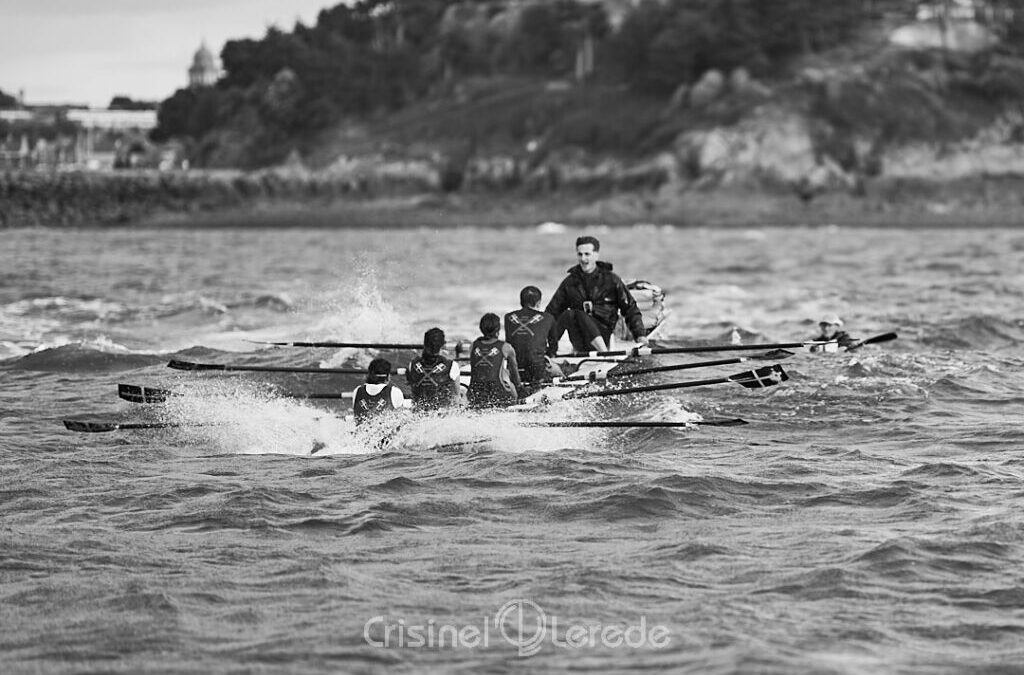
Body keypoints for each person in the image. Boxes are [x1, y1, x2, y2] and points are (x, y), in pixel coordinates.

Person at [545, 235, 648, 353]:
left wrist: (640, 335)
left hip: (603, 334)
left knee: (578, 314)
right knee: (567, 315)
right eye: (580, 254)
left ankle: (605, 354)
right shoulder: (570, 282)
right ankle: (549, 353)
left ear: (596, 255)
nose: (583, 259)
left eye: (587, 254)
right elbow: (551, 312)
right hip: (579, 339)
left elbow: (630, 309)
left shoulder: (612, 280)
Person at [504, 286, 562, 391]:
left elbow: (511, 343)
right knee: (559, 371)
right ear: (538, 303)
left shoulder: (508, 317)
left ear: (521, 302)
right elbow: (554, 348)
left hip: (515, 369)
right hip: (537, 371)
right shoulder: (548, 317)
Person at [467, 313, 525, 408]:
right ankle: (515, 404)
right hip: (499, 393)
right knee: (511, 383)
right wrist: (519, 388)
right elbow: (515, 375)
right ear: (498, 329)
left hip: (475, 393)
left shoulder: (473, 346)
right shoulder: (506, 347)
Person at [406, 327, 462, 411]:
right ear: (442, 346)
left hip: (418, 413)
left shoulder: (412, 364)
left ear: (424, 344)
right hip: (441, 415)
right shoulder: (452, 366)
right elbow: (456, 397)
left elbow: (414, 392)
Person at [352, 357, 410, 425]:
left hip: (361, 434)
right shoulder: (394, 392)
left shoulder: (357, 391)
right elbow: (400, 420)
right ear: (388, 376)